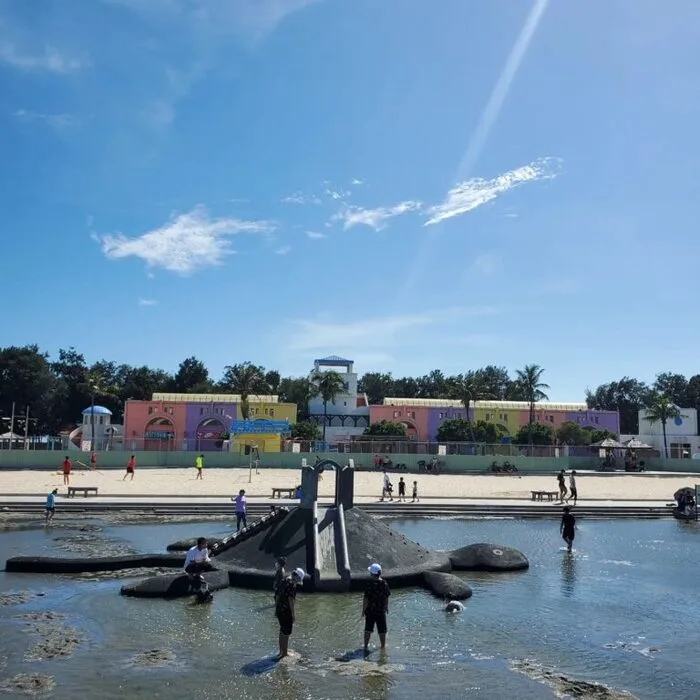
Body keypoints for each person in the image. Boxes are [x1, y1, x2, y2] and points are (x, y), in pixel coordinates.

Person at [275, 567, 305, 658]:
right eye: (299, 580)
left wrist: (276, 608)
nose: (298, 582)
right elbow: (291, 600)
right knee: (287, 632)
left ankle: (282, 650)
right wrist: (293, 614)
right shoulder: (292, 584)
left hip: (280, 609)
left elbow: (277, 595)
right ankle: (284, 654)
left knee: (282, 631)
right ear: (297, 577)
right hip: (286, 611)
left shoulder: (284, 579)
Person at [363, 563, 390, 652]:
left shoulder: (369, 584)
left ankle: (366, 646)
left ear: (372, 574)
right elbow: (386, 596)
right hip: (381, 610)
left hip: (370, 610)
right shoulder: (384, 583)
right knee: (382, 630)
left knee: (368, 629)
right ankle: (383, 647)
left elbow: (366, 598)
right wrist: (386, 607)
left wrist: (363, 610)